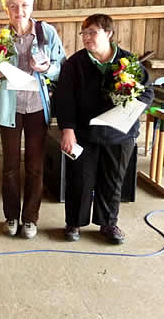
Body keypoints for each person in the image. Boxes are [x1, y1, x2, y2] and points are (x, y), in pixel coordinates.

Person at [57, 14, 153, 244]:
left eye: (93, 32)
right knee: (80, 180)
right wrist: (67, 130)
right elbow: (64, 99)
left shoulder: (128, 62)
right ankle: (74, 223)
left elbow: (147, 94)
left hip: (119, 133)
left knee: (113, 180)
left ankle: (108, 223)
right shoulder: (75, 63)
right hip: (84, 133)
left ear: (109, 34)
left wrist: (131, 108)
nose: (87, 38)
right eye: (84, 33)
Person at [0, 0, 65, 239]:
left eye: (24, 5)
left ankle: (30, 218)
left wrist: (46, 69)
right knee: (10, 166)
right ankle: (11, 216)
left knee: (35, 165)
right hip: (10, 107)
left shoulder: (47, 32)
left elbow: (60, 66)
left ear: (32, 7)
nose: (19, 11)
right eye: (13, 6)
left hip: (37, 106)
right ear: (6, 10)